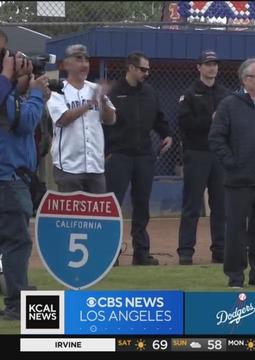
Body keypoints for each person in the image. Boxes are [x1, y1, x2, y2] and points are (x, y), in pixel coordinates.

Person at [209, 58, 255, 288]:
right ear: (245, 79)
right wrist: (232, 163)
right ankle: (235, 276)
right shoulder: (229, 104)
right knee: (236, 231)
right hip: (239, 180)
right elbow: (216, 138)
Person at [105, 52, 173, 266]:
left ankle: (141, 253)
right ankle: (110, 253)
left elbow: (159, 118)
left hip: (144, 155)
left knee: (142, 204)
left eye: (148, 70)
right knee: (112, 204)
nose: (146, 73)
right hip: (119, 156)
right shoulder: (114, 92)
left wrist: (167, 134)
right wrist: (107, 151)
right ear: (131, 68)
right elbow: (103, 124)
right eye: (143, 69)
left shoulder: (150, 92)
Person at [0, 52, 48, 320]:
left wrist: (25, 89)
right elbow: (24, 122)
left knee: (9, 241)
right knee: (17, 242)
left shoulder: (7, 94)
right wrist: (36, 94)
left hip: (13, 178)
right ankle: (17, 303)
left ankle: (16, 294)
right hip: (9, 180)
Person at [176, 50, 229, 265]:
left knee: (221, 205)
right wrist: (211, 120)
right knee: (192, 205)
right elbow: (184, 124)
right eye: (207, 64)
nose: (212, 68)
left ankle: (220, 250)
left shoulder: (225, 94)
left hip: (219, 156)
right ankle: (186, 251)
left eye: (215, 64)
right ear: (199, 67)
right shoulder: (189, 94)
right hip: (196, 153)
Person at [47, 44, 116, 193]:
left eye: (86, 60)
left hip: (95, 166)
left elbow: (111, 119)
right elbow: (63, 119)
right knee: (71, 215)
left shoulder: (95, 89)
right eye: (79, 59)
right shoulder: (58, 90)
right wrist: (89, 104)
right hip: (68, 167)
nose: (84, 64)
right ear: (66, 64)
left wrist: (103, 100)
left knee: (96, 215)